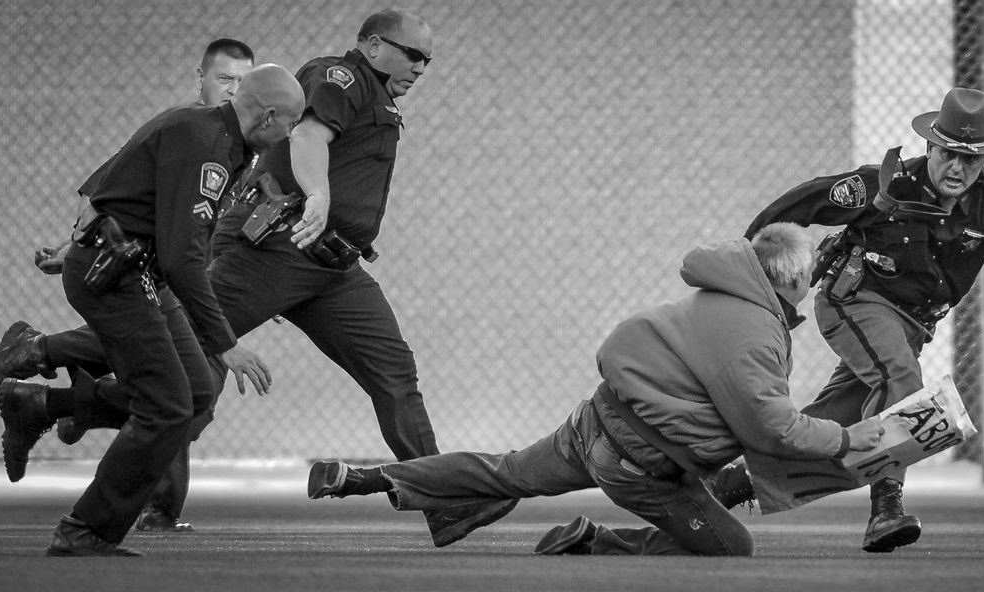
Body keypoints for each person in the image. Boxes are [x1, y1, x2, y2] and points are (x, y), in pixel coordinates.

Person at [306, 225, 891, 556]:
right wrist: (847, 437)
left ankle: (368, 478)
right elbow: (772, 427)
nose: (811, 290)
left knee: (504, 471)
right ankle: (597, 541)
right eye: (809, 279)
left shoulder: (719, 295)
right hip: (639, 465)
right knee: (731, 546)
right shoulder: (755, 331)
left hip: (595, 422)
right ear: (788, 282)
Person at [740, 87, 984, 553]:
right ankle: (886, 508)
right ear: (930, 147)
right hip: (853, 302)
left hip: (910, 329)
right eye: (949, 154)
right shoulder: (881, 185)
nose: (958, 168)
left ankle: (735, 480)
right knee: (902, 383)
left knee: (840, 424)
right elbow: (798, 205)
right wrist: (746, 267)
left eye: (970, 160)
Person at [201, 7, 516, 547]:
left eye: (428, 60)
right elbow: (307, 137)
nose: (420, 67)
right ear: (371, 46)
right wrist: (318, 195)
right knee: (172, 343)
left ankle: (442, 504)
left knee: (395, 373)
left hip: (333, 267)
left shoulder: (379, 100)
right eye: (411, 54)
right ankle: (43, 367)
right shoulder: (340, 77)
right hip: (283, 244)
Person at [0, 64, 305, 557]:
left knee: (197, 392)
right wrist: (228, 344)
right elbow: (184, 259)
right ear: (269, 116)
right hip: (115, 279)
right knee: (167, 406)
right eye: (291, 122)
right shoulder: (207, 147)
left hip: (138, 274)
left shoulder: (218, 139)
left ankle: (38, 405)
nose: (291, 133)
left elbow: (131, 202)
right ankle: (85, 530)